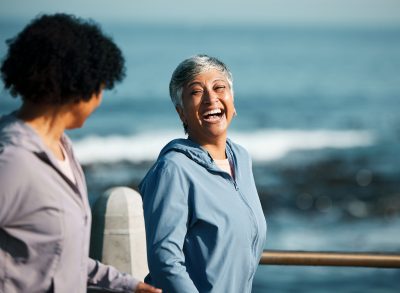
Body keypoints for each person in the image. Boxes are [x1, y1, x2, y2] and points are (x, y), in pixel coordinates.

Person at [0, 14, 161, 293]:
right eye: (100, 87)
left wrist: (127, 284)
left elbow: (57, 256)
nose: (99, 99)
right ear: (78, 85)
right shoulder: (12, 160)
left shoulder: (63, 147)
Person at [139, 54, 267, 293]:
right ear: (181, 113)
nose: (211, 98)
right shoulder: (172, 169)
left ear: (232, 100)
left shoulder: (241, 158)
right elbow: (165, 262)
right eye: (196, 92)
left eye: (220, 87)